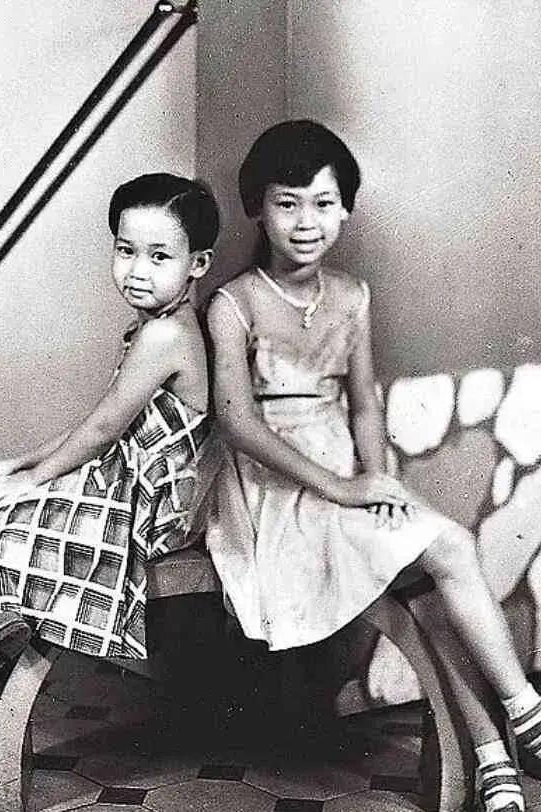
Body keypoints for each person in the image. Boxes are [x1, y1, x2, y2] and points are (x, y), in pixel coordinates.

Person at [204, 119, 540, 812]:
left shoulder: (352, 296)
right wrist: (342, 487)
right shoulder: (233, 304)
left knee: (436, 571)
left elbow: (362, 404)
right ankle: (520, 723)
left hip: (347, 473)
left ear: (346, 210)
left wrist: (378, 478)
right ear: (256, 209)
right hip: (271, 489)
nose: (306, 222)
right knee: (442, 556)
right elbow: (237, 425)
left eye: (324, 203)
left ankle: (496, 752)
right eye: (287, 203)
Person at [0, 172, 218, 801]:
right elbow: (102, 422)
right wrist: (23, 464)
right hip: (117, 481)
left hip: (150, 507)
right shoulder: (152, 326)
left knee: (1, 520)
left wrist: (33, 477)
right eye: (125, 250)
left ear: (198, 264)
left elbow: (104, 429)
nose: (136, 270)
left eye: (158, 256)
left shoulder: (168, 334)